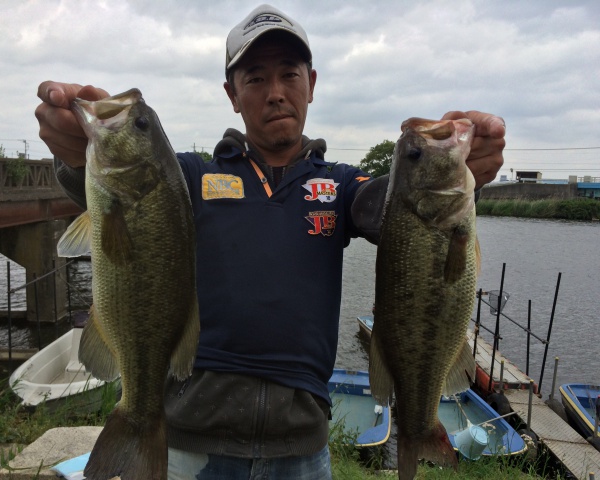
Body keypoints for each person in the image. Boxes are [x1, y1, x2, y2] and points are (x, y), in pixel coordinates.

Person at [35, 5, 505, 479]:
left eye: (289, 74)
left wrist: (463, 175)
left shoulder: (340, 185)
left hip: (301, 454)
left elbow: (392, 212)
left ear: (312, 84)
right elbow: (118, 199)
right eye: (256, 78)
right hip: (188, 443)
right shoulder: (188, 177)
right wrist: (76, 155)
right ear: (232, 95)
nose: (276, 92)